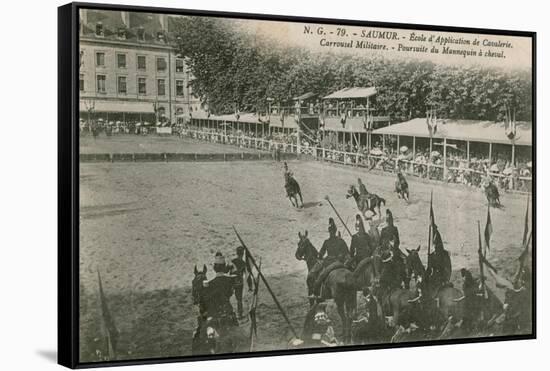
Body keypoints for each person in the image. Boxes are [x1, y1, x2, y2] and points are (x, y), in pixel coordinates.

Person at [310, 218, 349, 298]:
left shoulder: (327, 242)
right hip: (340, 263)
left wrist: (319, 256)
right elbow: (347, 253)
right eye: (331, 231)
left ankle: (316, 292)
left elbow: (320, 254)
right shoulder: (340, 241)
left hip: (329, 263)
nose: (331, 233)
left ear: (331, 231)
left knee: (320, 276)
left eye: (331, 231)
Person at [203, 252, 238, 330]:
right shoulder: (230, 280)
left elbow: (207, 298)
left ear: (215, 268)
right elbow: (235, 274)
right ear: (224, 267)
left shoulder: (209, 283)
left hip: (215, 312)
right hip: (227, 309)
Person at [228, 246, 253, 319]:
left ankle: (230, 314)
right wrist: (250, 285)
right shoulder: (243, 263)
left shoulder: (233, 261)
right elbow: (247, 275)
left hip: (231, 282)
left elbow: (228, 271)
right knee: (239, 300)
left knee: (228, 297)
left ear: (236, 253)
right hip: (239, 283)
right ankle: (240, 314)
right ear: (243, 253)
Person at [426, 224, 452, 292]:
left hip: (442, 277)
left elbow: (448, 268)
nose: (436, 246)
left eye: (438, 244)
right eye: (435, 244)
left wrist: (446, 279)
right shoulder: (431, 255)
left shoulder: (444, 255)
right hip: (433, 277)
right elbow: (429, 269)